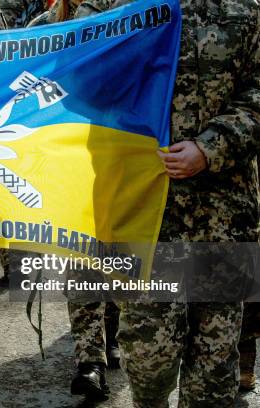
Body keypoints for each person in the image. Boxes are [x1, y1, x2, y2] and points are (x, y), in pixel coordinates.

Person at [74, 0, 259, 406]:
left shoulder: (244, 9)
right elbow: (78, 72)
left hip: (223, 218)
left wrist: (212, 147)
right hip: (145, 218)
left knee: (214, 372)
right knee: (148, 361)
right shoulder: (112, 5)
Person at [28, 0, 121, 400]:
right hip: (70, 162)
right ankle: (90, 361)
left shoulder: (129, 13)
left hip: (120, 156)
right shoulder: (46, 26)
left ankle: (113, 329)